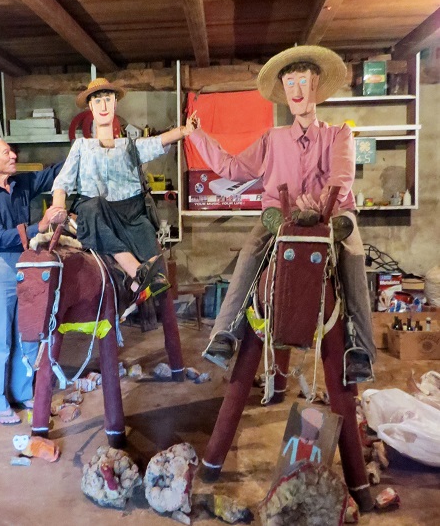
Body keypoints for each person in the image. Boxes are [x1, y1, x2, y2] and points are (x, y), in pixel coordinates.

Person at [188, 45, 375, 382]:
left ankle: (359, 348)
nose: (298, 91)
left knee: (353, 253)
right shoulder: (272, 139)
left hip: (332, 213)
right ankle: (225, 333)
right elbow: (232, 167)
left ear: (315, 84)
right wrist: (197, 136)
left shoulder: (339, 133)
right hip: (280, 214)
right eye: (290, 84)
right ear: (284, 92)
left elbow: (342, 178)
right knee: (251, 250)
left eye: (303, 81)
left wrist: (319, 204)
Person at [50, 77, 197, 317]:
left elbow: (156, 143)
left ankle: (146, 285)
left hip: (130, 213)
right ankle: (136, 273)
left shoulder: (129, 145)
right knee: (91, 207)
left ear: (115, 103)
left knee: (158, 273)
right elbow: (62, 182)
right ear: (90, 107)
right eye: (97, 100)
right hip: (97, 212)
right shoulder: (81, 147)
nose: (103, 105)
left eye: (108, 99)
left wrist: (184, 131)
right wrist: (58, 206)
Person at [0, 135, 64, 424]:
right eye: (6, 152)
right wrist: (41, 225)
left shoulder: (21, 184)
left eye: (11, 151)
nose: (13, 156)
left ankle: (23, 392)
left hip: (25, 263)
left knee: (28, 332)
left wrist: (85, 147)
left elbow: (53, 173)